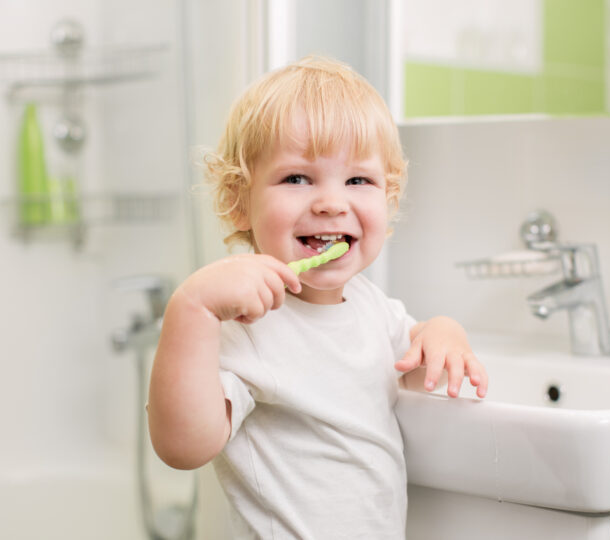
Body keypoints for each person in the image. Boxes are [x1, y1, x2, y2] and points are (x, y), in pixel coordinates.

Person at [148, 55, 488, 539]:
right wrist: (192, 310)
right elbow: (182, 447)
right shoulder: (245, 325)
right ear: (237, 201)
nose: (331, 202)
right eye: (297, 178)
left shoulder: (371, 307)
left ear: (387, 197)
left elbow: (411, 361)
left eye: (358, 180)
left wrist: (443, 331)